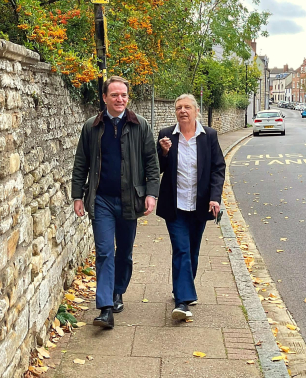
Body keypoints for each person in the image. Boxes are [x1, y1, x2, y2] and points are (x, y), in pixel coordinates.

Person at [72, 76, 160, 329]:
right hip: (101, 200)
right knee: (103, 252)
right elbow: (81, 163)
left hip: (130, 200)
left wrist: (151, 194)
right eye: (114, 95)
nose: (119, 99)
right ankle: (105, 308)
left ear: (127, 98)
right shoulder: (92, 126)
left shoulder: (139, 125)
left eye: (123, 95)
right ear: (104, 98)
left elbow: (152, 164)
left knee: (125, 252)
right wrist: (78, 195)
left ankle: (118, 290)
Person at [156, 94, 225, 320]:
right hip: (174, 205)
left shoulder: (209, 136)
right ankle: (182, 302)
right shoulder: (166, 135)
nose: (182, 111)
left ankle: (182, 288)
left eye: (187, 107)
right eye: (178, 108)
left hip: (199, 205)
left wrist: (215, 198)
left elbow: (218, 169)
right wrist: (163, 152)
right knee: (181, 249)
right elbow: (157, 168)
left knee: (192, 251)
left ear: (196, 111)